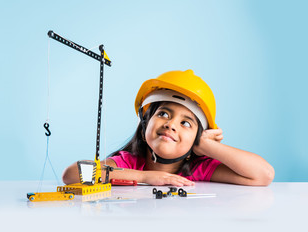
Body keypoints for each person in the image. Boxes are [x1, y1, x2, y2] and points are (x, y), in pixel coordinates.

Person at [62, 70, 275, 186]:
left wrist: (206, 146)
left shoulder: (197, 170)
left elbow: (263, 175)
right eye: (163, 113)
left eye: (185, 123)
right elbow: (71, 175)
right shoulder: (128, 163)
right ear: (144, 123)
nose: (171, 125)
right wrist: (145, 178)